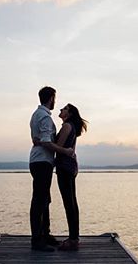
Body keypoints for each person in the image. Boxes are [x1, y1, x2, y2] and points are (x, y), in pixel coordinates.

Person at [36, 103, 88, 251]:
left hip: (64, 167)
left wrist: (40, 141)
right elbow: (69, 149)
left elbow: (57, 146)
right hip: (70, 166)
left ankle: (73, 240)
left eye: (64, 109)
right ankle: (74, 238)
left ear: (69, 113)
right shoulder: (72, 126)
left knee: (69, 202)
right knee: (72, 202)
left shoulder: (66, 126)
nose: (61, 109)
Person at [28, 86, 74, 252]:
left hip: (38, 161)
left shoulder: (36, 115)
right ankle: (37, 240)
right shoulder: (46, 118)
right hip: (42, 162)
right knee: (39, 200)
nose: (56, 101)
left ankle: (45, 235)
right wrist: (66, 151)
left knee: (44, 199)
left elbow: (38, 138)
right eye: (55, 98)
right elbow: (46, 142)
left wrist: (39, 141)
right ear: (51, 98)